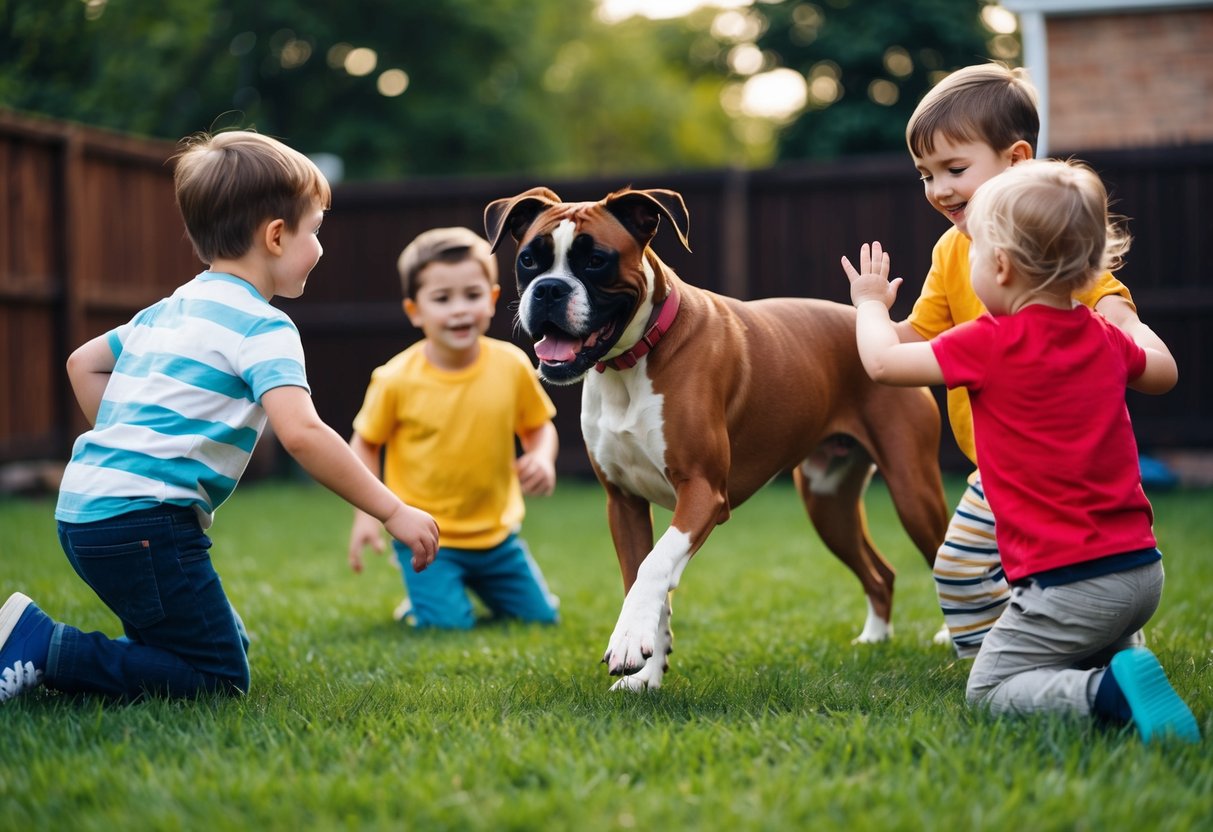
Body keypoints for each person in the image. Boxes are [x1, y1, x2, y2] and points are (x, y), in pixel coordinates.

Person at [0, 130, 439, 704]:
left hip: (84, 511)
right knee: (218, 679)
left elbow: (82, 363)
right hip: (144, 526)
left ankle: (156, 643)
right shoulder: (264, 327)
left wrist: (128, 441)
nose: (321, 248)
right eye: (316, 231)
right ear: (277, 236)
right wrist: (392, 509)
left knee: (215, 641)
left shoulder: (175, 306)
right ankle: (45, 645)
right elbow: (303, 433)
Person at [842, 159, 1199, 743]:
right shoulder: (1103, 334)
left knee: (990, 693)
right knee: (1093, 640)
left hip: (1069, 585)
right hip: (1141, 573)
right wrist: (1127, 321)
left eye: (976, 253)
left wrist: (870, 305)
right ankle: (1123, 665)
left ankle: (1105, 694)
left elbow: (882, 363)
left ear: (1001, 267)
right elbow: (1163, 372)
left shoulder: (991, 341)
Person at [895, 62, 1172, 657]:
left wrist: (1130, 329)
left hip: (1069, 462)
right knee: (994, 569)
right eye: (925, 174)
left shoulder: (1058, 256)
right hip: (1001, 464)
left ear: (1017, 160)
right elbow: (917, 335)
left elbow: (1123, 322)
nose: (938, 189)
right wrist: (847, 328)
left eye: (955, 169)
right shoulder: (952, 249)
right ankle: (1097, 650)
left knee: (977, 565)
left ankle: (1003, 670)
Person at [346, 227, 561, 630]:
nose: (460, 309)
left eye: (472, 295)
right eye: (442, 299)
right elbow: (365, 443)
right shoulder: (395, 379)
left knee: (541, 618)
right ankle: (425, 602)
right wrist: (367, 514)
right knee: (448, 625)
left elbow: (539, 426)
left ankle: (449, 594)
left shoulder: (512, 365)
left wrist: (541, 457)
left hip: (498, 536)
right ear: (414, 310)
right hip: (428, 539)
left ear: (493, 299)